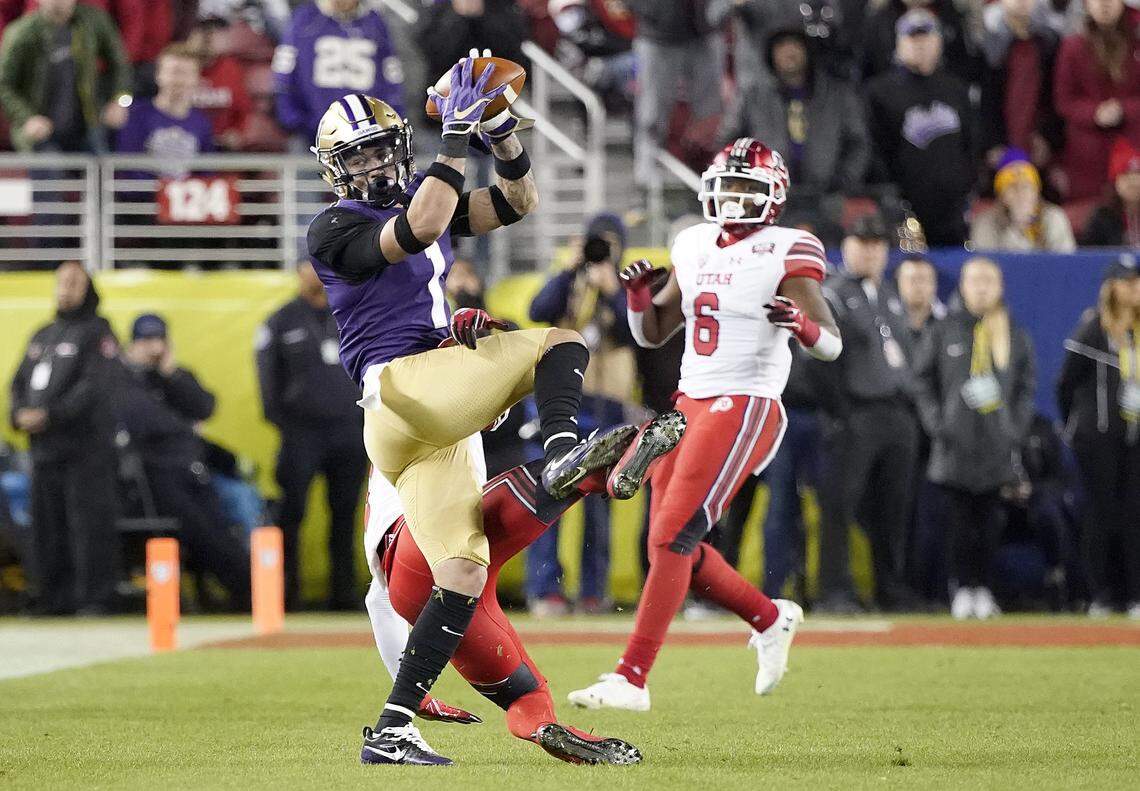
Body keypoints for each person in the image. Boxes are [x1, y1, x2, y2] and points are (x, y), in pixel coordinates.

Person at [305, 58, 651, 765]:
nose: (373, 165)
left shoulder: (426, 195)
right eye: (358, 156)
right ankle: (562, 452)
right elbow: (421, 224)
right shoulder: (334, 226)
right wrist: (457, 133)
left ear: (399, 148)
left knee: (461, 573)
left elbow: (519, 200)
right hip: (401, 389)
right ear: (335, 169)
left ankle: (392, 729)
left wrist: (500, 129)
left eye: (380, 150)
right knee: (560, 342)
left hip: (419, 431)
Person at [567, 138, 842, 712]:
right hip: (688, 401)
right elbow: (652, 332)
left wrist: (802, 326)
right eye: (728, 186)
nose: (734, 198)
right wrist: (638, 297)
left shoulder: (787, 247)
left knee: (674, 534)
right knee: (667, 545)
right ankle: (768, 618)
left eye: (746, 188)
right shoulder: (692, 242)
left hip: (746, 400)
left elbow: (831, 343)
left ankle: (632, 677)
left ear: (773, 195)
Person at [364, 414, 684, 765]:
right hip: (432, 537)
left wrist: (414, 694)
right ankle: (592, 471)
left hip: (407, 582)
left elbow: (378, 601)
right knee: (543, 483)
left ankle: (543, 727)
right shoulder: (426, 407)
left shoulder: (384, 444)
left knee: (528, 694)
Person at [913, 258, 1036, 619]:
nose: (982, 287)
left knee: (990, 522)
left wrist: (1014, 428)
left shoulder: (1013, 332)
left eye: (989, 280)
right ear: (963, 286)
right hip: (954, 444)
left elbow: (1026, 385)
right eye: (975, 280)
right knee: (957, 522)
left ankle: (983, 588)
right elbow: (922, 380)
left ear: (1000, 287)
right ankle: (960, 588)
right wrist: (937, 423)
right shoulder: (943, 329)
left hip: (997, 445)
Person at [526, 212, 636, 614]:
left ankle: (594, 590)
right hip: (563, 402)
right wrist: (568, 269)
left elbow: (635, 332)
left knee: (599, 506)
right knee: (549, 496)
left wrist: (612, 290)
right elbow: (538, 310)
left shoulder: (627, 286)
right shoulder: (569, 281)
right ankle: (545, 589)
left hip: (608, 405)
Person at [814, 213, 921, 613]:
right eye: (863, 243)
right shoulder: (833, 294)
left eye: (878, 244)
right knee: (840, 505)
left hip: (896, 411)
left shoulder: (889, 293)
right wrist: (840, 411)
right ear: (846, 247)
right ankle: (834, 591)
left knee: (894, 506)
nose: (871, 251)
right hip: (857, 412)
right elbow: (819, 363)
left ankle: (890, 588)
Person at [7, 261, 120, 615]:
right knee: (47, 526)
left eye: (73, 282)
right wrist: (19, 414)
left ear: (88, 289)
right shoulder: (43, 335)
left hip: (85, 450)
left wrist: (50, 415)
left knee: (88, 525)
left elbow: (93, 387)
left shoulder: (99, 332)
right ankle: (52, 598)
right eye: (61, 282)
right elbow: (18, 382)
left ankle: (94, 598)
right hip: (44, 450)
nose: (65, 289)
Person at [117, 313, 251, 609]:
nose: (154, 348)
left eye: (159, 340)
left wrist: (172, 374)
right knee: (200, 529)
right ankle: (248, 588)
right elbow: (146, 421)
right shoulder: (122, 380)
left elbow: (205, 406)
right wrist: (185, 426)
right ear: (132, 345)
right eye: (146, 341)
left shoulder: (173, 377)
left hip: (192, 469)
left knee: (221, 524)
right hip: (152, 475)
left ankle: (252, 588)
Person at [256, 261, 368, 610]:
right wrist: (287, 424)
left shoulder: (351, 314)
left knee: (346, 514)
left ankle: (344, 593)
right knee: (291, 513)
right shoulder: (281, 320)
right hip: (301, 433)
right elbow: (268, 382)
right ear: (298, 271)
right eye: (310, 265)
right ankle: (287, 594)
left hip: (349, 430)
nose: (317, 273)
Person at [1057, 256, 1140, 618]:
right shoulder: (1093, 328)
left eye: (1137, 281)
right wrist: (1077, 426)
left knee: (1134, 513)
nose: (1134, 288)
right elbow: (1065, 384)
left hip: (1135, 436)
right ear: (1111, 287)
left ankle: (1133, 593)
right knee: (1101, 512)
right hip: (1098, 437)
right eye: (1127, 282)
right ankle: (1102, 593)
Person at [865, 9, 976, 246]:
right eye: (912, 37)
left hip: (953, 207)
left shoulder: (955, 88)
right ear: (898, 43)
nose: (920, 44)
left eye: (926, 37)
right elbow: (875, 150)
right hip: (905, 207)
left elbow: (970, 143)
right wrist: (891, 197)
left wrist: (968, 187)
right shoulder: (879, 91)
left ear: (939, 42)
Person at [720, 25, 869, 201]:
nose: (789, 52)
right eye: (781, 46)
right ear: (770, 55)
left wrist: (844, 181)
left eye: (795, 44)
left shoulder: (839, 95)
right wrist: (747, 182)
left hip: (829, 197)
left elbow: (858, 143)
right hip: (766, 195)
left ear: (807, 51)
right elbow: (728, 141)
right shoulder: (752, 97)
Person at [0, 0, 131, 153]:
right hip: (41, 129)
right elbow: (4, 84)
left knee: (103, 163)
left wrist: (119, 100)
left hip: (88, 123)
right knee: (50, 164)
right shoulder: (22, 32)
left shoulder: (93, 21)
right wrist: (26, 118)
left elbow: (120, 63)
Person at [273, 0, 404, 145]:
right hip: (311, 132)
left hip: (367, 134)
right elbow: (284, 74)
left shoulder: (375, 22)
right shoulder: (306, 19)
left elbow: (391, 77)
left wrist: (389, 120)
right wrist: (295, 120)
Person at [626, 0, 724, 186]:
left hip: (704, 31)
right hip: (658, 35)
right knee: (653, 110)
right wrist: (654, 12)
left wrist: (717, 12)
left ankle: (716, 168)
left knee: (711, 113)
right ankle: (646, 172)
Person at [1053, 0, 1140, 201]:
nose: (1104, 4)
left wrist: (1123, 109)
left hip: (1132, 148)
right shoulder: (1072, 46)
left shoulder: (1136, 42)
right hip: (1088, 155)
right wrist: (1094, 113)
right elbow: (1063, 100)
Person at [977, 0, 1063, 175]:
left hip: (1040, 144)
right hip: (1002, 145)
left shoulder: (1050, 42)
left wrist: (1047, 136)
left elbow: (1056, 96)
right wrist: (992, 143)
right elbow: (985, 101)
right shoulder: (988, 45)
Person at [115, 43, 213, 176]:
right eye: (174, 72)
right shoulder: (136, 115)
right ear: (158, 75)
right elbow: (128, 168)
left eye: (186, 73)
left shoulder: (202, 122)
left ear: (197, 78)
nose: (179, 80)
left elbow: (206, 173)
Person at [970, 152, 1076, 252]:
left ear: (1036, 191)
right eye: (1012, 187)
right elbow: (983, 261)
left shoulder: (1054, 217)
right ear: (1002, 196)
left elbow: (1066, 259)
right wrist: (1017, 227)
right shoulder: (985, 223)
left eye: (1026, 186)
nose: (1020, 193)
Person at [188, 17, 254, 150]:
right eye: (205, 31)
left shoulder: (231, 68)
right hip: (185, 143)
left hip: (220, 146)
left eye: (217, 31)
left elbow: (242, 110)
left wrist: (236, 132)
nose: (209, 37)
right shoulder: (181, 66)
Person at [1081, 138, 1140, 247]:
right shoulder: (1103, 217)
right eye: (1126, 177)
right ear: (1115, 182)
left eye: (1138, 175)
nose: (1134, 183)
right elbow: (1088, 253)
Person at [896, 254, 946, 345]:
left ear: (934, 283)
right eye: (911, 280)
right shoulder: (885, 320)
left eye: (923, 279)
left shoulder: (951, 322)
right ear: (899, 283)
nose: (918, 286)